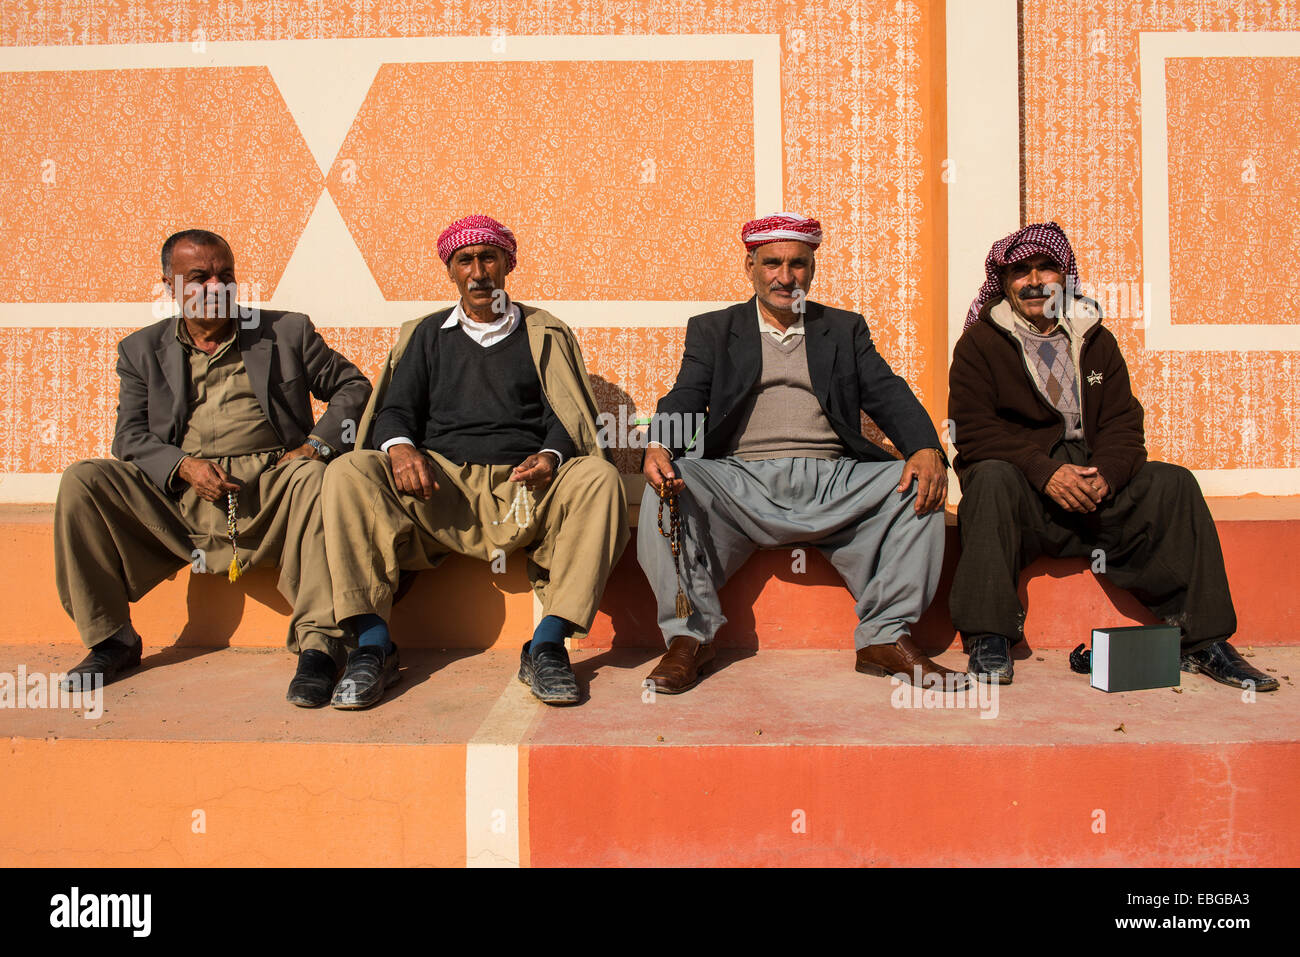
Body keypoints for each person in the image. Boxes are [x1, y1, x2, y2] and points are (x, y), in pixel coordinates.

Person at [637, 212, 960, 694]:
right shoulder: (714, 330)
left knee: (920, 490)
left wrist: (926, 447)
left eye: (797, 264)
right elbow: (686, 393)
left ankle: (884, 638)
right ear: (750, 266)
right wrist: (659, 445)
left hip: (833, 478)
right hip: (740, 479)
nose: (785, 277)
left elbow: (888, 392)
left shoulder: (843, 329)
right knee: (666, 488)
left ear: (813, 267)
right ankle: (690, 639)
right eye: (772, 263)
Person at [947, 222, 1276, 691]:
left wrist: (1109, 475)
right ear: (1004, 282)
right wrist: (1045, 471)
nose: (1035, 281)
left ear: (1066, 277)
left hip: (1092, 485)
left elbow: (1124, 423)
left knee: (1173, 483)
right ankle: (989, 638)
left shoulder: (1096, 339)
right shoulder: (979, 344)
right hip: (1025, 489)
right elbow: (974, 431)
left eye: (1047, 268)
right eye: (1021, 271)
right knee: (991, 479)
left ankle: (1204, 641)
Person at [54, 228, 371, 706]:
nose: (215, 288)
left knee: (312, 477)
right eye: (198, 278)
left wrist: (315, 446)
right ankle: (111, 639)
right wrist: (182, 466)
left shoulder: (286, 332)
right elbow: (130, 437)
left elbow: (353, 387)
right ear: (169, 285)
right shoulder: (141, 350)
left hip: (272, 487)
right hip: (180, 498)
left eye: (226, 276)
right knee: (84, 479)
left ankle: (320, 648)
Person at [322, 215, 628, 709]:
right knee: (348, 472)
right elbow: (394, 411)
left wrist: (550, 457)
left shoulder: (544, 332)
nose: (479, 271)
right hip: (439, 491)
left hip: (525, 491)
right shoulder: (423, 335)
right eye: (466, 260)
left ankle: (548, 644)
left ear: (509, 264)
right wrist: (401, 448)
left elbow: (565, 416)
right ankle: (372, 648)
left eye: (490, 258)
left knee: (599, 477)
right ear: (451, 271)